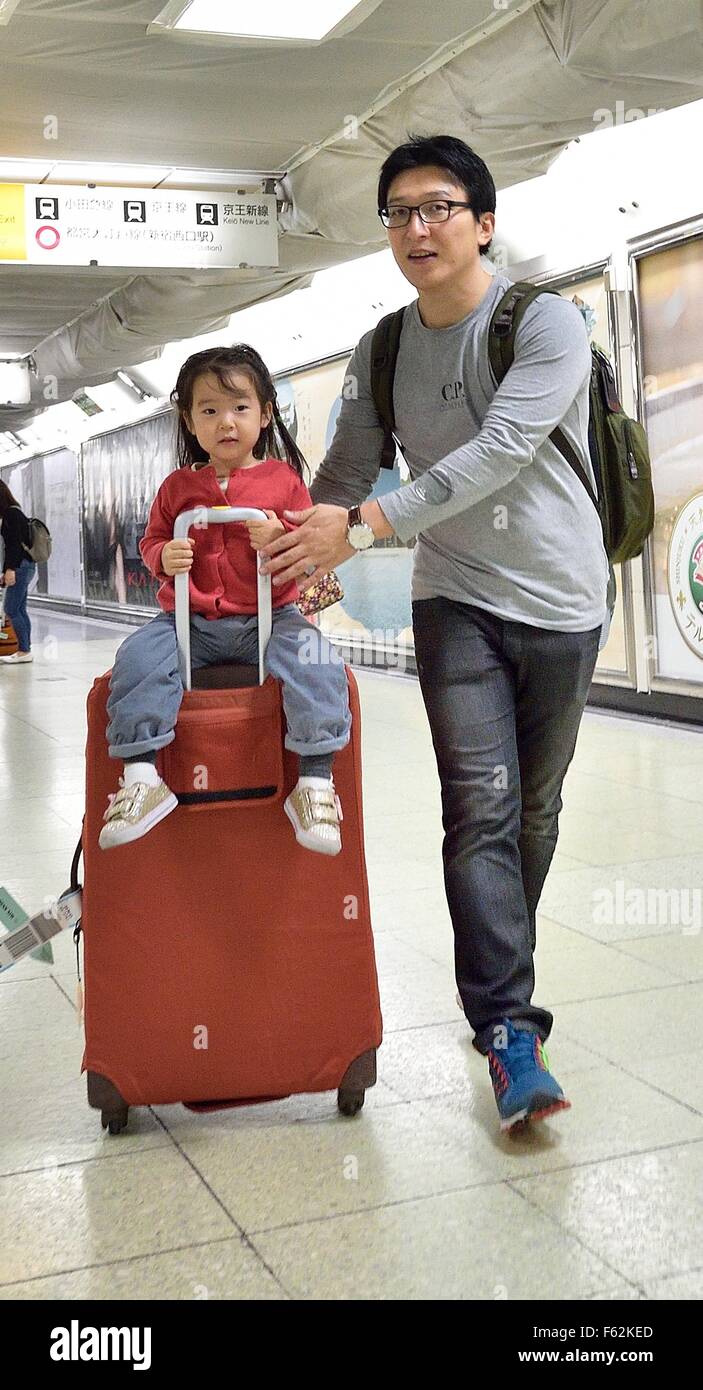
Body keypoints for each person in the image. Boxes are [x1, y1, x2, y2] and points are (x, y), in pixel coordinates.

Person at [257, 134, 610, 1131]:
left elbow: (502, 450)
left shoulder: (544, 327)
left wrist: (364, 524)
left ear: (482, 222)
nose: (416, 227)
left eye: (437, 207)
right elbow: (342, 470)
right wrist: (297, 544)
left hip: (563, 600)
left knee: (530, 810)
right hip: (453, 599)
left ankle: (503, 959)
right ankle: (507, 1028)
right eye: (398, 212)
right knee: (481, 808)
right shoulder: (382, 347)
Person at [100, 344, 350, 855]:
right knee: (138, 659)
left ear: (265, 413)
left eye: (239, 408)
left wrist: (277, 537)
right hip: (186, 619)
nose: (226, 423)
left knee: (319, 662)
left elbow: (305, 549)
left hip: (271, 615)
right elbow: (151, 541)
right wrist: (162, 555)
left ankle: (316, 782)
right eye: (209, 411)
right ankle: (142, 774)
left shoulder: (282, 481)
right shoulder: (177, 487)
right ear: (190, 421)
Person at [0, 482, 37, 666]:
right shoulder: (16, 512)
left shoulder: (10, 515)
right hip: (26, 565)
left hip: (20, 567)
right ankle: (25, 649)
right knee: (20, 609)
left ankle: (24, 650)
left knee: (11, 609)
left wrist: (10, 569)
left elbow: (13, 545)